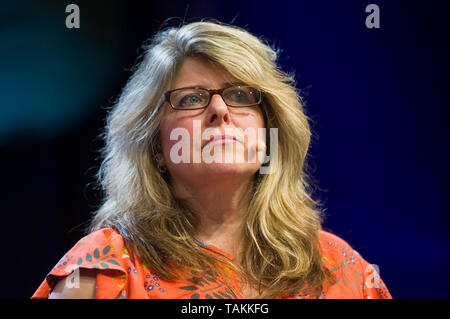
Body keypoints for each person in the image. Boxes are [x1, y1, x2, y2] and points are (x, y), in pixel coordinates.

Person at [32, 20, 392, 299]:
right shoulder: (105, 266)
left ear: (270, 136)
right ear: (156, 148)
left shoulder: (342, 269)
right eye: (191, 99)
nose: (220, 109)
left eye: (240, 95)